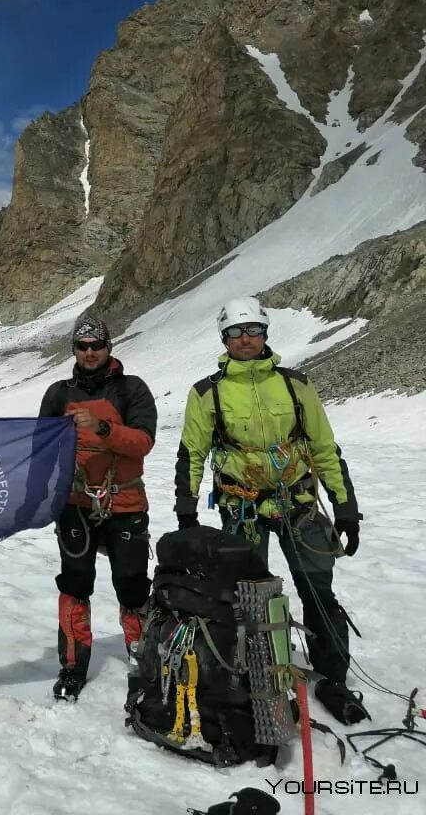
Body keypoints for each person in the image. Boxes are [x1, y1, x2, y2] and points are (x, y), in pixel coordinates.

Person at [174, 296, 367, 724]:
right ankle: (252, 676)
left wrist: (345, 505)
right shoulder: (207, 393)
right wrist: (187, 514)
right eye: (235, 333)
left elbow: (323, 448)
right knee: (248, 599)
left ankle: (332, 678)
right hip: (240, 507)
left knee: (318, 591)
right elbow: (191, 453)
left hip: (298, 503)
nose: (245, 339)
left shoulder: (296, 385)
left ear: (265, 333)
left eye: (253, 330)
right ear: (224, 339)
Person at [39, 313, 157, 702]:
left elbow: (142, 443)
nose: (90, 353)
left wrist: (102, 428)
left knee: (132, 584)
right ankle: (72, 667)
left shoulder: (132, 390)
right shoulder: (58, 394)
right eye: (83, 346)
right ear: (74, 349)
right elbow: (42, 448)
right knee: (75, 583)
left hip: (124, 501)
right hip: (74, 504)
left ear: (109, 347)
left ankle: (145, 662)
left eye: (97, 346)